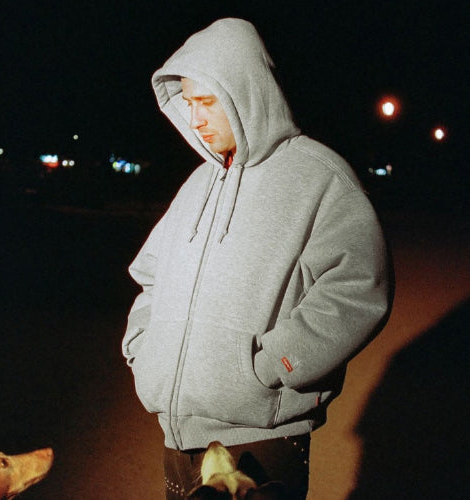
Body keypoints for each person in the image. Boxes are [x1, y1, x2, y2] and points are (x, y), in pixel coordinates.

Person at [122, 18, 391, 499]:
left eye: (207, 101)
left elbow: (358, 287)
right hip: (177, 440)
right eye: (188, 102)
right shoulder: (198, 184)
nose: (195, 117)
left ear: (246, 91)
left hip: (261, 440)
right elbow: (150, 278)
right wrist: (143, 350)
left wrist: (273, 366)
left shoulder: (318, 176)